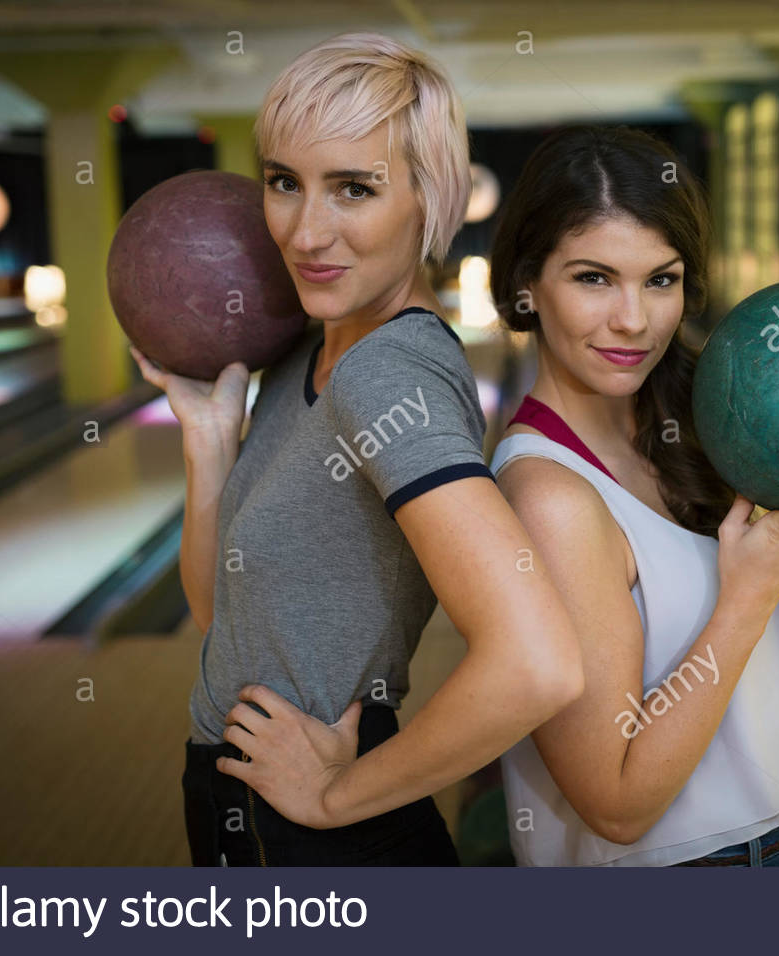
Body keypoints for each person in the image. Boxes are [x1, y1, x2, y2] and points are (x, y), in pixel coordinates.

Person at [133, 33, 583, 866]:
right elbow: (222, 617)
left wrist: (337, 796)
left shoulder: (386, 375)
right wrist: (208, 441)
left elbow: (539, 663)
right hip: (244, 794)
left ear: (429, 198)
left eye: (355, 189)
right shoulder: (308, 356)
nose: (307, 231)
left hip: (310, 829)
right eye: (284, 183)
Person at [486, 126, 779, 867]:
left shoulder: (705, 425)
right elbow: (616, 805)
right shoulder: (549, 498)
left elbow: (772, 683)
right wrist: (747, 595)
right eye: (593, 278)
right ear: (527, 284)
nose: (635, 319)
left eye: (661, 278)